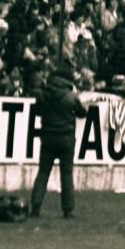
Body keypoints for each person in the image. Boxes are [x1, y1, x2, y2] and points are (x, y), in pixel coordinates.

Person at [31, 61, 87, 218]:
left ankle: (35, 207)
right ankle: (68, 209)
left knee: (43, 172)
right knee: (66, 174)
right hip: (66, 139)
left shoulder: (44, 94)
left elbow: (37, 112)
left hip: (48, 137)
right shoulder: (71, 97)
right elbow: (82, 113)